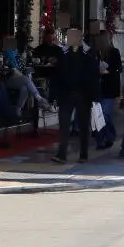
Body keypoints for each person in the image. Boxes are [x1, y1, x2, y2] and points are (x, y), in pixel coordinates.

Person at [52, 28, 100, 164]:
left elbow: (94, 75)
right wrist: (55, 94)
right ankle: (62, 155)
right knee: (64, 125)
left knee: (84, 126)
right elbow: (57, 74)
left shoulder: (89, 52)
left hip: (83, 95)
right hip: (66, 94)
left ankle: (83, 154)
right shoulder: (63, 52)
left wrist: (95, 96)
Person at [94, 30, 123, 150]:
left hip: (109, 88)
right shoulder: (96, 53)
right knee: (98, 115)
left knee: (105, 114)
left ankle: (110, 135)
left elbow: (118, 69)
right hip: (98, 87)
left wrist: (107, 71)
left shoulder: (114, 52)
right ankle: (101, 140)